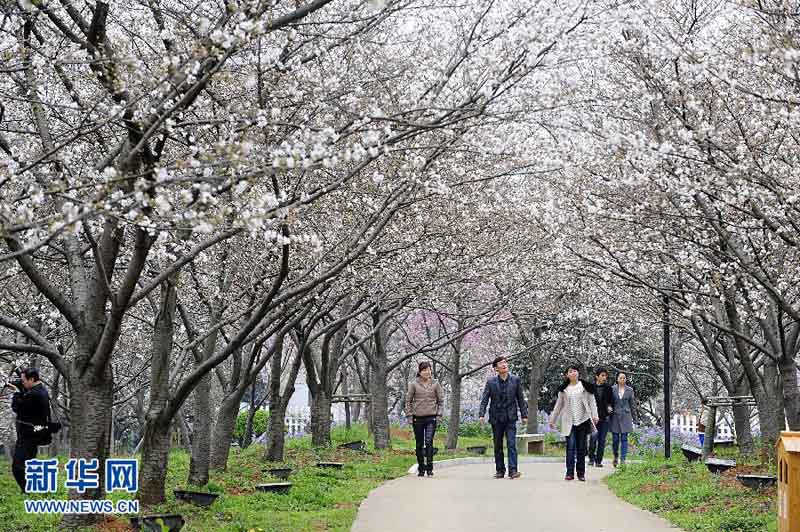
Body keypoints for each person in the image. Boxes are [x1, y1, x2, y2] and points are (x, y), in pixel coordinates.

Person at [479, 356, 528, 479]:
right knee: (498, 444)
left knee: (511, 443)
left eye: (505, 362)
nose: (504, 364)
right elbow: (485, 399)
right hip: (496, 417)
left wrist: (524, 415)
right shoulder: (491, 382)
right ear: (496, 368)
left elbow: (520, 398)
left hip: (510, 416)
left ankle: (513, 470)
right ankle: (500, 470)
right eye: (500, 363)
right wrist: (481, 414)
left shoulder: (515, 380)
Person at [549, 364, 599, 481]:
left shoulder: (585, 387)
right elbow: (558, 406)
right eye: (570, 371)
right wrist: (553, 420)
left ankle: (581, 473)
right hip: (568, 422)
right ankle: (569, 473)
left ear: (578, 373)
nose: (573, 373)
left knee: (581, 448)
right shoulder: (563, 389)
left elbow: (592, 402)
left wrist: (595, 415)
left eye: (575, 371)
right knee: (570, 447)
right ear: (567, 375)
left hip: (583, 420)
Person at [7, 368, 51, 493]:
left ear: (32, 379)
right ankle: (34, 489)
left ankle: (28, 491)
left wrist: (16, 392)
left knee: (18, 467)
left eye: (24, 380)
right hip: (34, 434)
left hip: (29, 435)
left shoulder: (35, 394)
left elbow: (17, 407)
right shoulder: (39, 391)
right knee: (29, 465)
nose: (23, 383)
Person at [405, 361, 443, 477]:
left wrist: (439, 414)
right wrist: (409, 416)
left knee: (429, 442)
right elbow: (408, 401)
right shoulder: (413, 384)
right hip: (418, 418)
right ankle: (421, 467)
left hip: (431, 417)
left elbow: (441, 400)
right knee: (419, 443)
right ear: (420, 372)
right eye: (424, 370)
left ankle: (430, 468)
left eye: (429, 370)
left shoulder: (435, 383)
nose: (427, 372)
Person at [588, 367, 614, 467]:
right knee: (593, 438)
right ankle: (591, 458)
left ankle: (599, 461)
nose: (604, 378)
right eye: (602, 375)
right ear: (597, 377)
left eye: (605, 376)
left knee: (602, 440)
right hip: (593, 418)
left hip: (604, 418)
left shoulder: (608, 389)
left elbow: (611, 402)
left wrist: (610, 407)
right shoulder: (590, 388)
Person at [610, 371, 636, 467]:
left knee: (624, 438)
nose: (622, 379)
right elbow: (608, 401)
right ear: (617, 379)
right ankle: (615, 457)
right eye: (620, 378)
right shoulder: (612, 389)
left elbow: (632, 404)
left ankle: (623, 459)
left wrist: (635, 418)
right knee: (615, 439)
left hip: (626, 416)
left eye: (624, 378)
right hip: (615, 416)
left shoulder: (630, 390)